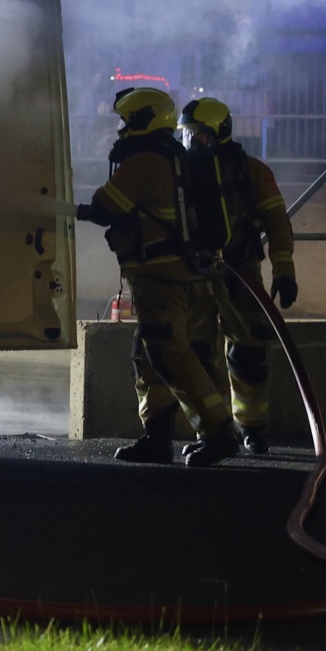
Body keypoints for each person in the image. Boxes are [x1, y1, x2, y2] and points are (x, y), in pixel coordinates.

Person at [76, 87, 238, 467]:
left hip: (160, 279)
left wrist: (80, 209)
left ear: (141, 119)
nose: (119, 130)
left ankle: (219, 432)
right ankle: (157, 437)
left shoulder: (145, 162)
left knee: (170, 358)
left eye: (124, 121)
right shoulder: (176, 157)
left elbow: (105, 207)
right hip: (185, 276)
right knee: (151, 357)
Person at [180, 97, 296, 455]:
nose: (190, 142)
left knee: (248, 352)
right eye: (186, 134)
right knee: (196, 355)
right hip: (195, 275)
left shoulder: (252, 171)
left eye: (198, 134)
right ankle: (213, 431)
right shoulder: (179, 171)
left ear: (218, 134)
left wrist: (284, 270)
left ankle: (253, 428)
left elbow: (277, 223)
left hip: (240, 274)